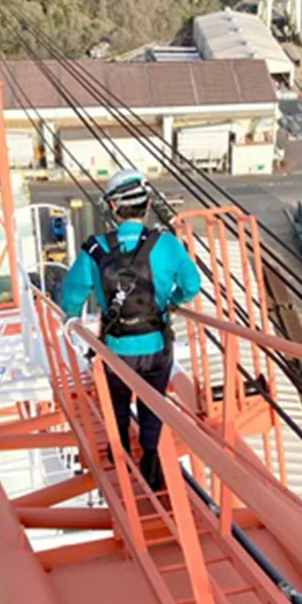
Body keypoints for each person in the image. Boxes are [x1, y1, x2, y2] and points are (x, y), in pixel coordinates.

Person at [61, 169, 201, 490]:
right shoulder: (166, 244)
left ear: (112, 208)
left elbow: (71, 297)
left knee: (118, 400)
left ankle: (120, 448)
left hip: (116, 349)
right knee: (153, 401)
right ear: (148, 203)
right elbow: (192, 284)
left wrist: (71, 320)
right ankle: (151, 460)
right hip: (156, 347)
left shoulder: (94, 251)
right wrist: (174, 302)